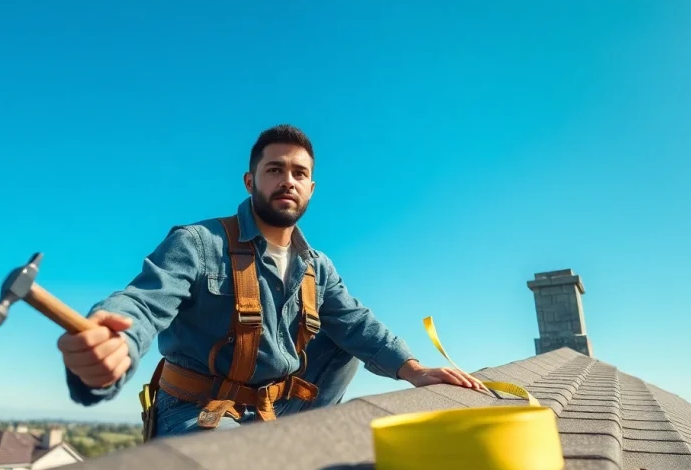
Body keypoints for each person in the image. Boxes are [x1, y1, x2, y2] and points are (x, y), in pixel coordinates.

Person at [57, 124, 489, 438]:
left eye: (299, 173)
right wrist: (113, 342)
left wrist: (415, 370)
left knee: (344, 335)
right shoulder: (198, 243)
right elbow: (144, 302)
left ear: (311, 189)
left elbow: (359, 324)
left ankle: (306, 435)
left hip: (282, 408)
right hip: (200, 412)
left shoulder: (317, 267)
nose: (287, 181)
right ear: (251, 181)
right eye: (274, 170)